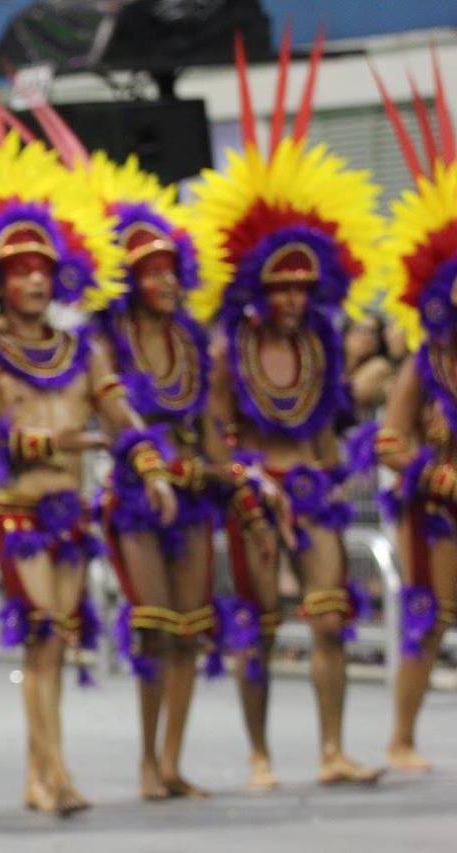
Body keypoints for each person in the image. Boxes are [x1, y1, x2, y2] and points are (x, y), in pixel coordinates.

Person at [0, 132, 177, 815]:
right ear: (1, 281)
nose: (34, 279)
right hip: (18, 513)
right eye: (20, 270)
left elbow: (121, 412)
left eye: (43, 267)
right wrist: (35, 440)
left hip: (70, 515)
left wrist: (151, 466)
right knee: (43, 634)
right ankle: (52, 772)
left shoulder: (84, 348)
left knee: (58, 644)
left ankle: (42, 773)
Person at [190, 32, 384, 789]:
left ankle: (333, 749)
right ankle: (261, 752)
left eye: (304, 287)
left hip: (316, 494)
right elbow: (213, 432)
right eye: (281, 287)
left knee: (331, 617)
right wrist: (240, 475)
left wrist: (334, 470)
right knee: (259, 629)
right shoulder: (226, 350)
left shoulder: (324, 346)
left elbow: (333, 422)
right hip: (253, 495)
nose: (294, 299)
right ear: (255, 290)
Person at [85, 150, 239, 800]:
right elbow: (118, 418)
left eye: (173, 271)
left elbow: (205, 419)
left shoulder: (191, 341)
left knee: (188, 629)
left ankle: (172, 761)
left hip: (194, 495)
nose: (168, 282)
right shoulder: (107, 342)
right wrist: (154, 466)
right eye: (153, 273)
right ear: (129, 278)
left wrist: (224, 467)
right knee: (152, 625)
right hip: (138, 496)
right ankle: (147, 761)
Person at [362, 65, 457, 772]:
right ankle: (400, 736)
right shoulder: (423, 365)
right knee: (431, 618)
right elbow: (387, 440)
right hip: (438, 512)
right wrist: (435, 472)